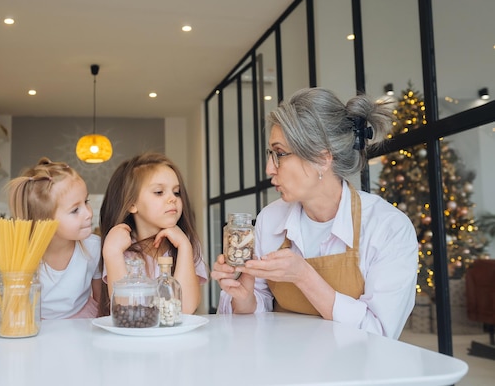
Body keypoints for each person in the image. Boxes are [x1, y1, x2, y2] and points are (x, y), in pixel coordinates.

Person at [211, 88, 418, 339]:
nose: (269, 169)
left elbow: (380, 333)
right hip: (284, 366)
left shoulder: (387, 227)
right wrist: (244, 299)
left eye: (280, 154)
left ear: (322, 159)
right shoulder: (270, 219)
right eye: (270, 154)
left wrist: (304, 277)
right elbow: (260, 311)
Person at [99, 152, 207, 316]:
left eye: (176, 192)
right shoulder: (118, 247)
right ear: (132, 204)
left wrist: (185, 247)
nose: (172, 198)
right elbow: (125, 311)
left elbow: (186, 309)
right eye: (159, 192)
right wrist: (112, 253)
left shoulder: (187, 243)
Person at [7, 157, 102, 319]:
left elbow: (101, 301)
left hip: (83, 322)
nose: (89, 213)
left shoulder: (94, 247)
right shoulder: (22, 255)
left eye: (86, 202)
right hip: (38, 326)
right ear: (44, 221)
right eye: (75, 210)